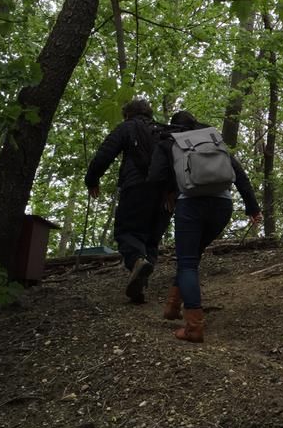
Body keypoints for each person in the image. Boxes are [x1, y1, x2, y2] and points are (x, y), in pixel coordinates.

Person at [148, 110, 262, 343]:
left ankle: (193, 327)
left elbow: (155, 176)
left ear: (173, 126)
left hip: (190, 205)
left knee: (187, 262)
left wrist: (169, 192)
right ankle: (172, 306)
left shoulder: (169, 141)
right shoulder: (210, 138)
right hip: (223, 206)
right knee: (193, 255)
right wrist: (252, 207)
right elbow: (238, 173)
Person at [84, 98, 170, 304]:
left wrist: (92, 179)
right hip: (165, 194)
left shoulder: (127, 127)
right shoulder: (164, 131)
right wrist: (173, 192)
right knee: (151, 239)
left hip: (136, 187)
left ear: (128, 114)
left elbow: (105, 153)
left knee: (127, 232)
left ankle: (137, 263)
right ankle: (139, 285)